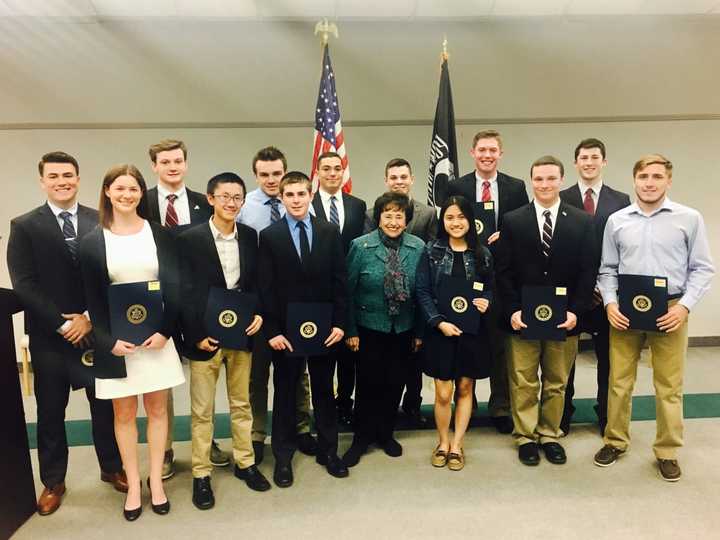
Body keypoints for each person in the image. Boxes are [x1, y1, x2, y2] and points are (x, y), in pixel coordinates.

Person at [7, 151, 126, 516]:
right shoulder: (24, 225)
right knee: (51, 411)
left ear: (78, 178)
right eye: (54, 176)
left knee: (103, 405)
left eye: (69, 175)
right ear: (42, 181)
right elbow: (24, 283)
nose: (62, 181)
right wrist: (62, 322)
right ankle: (53, 481)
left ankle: (111, 467)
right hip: (49, 335)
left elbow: (110, 275)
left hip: (95, 332)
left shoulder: (99, 219)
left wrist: (88, 317)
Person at [593, 154, 714, 481]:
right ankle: (615, 440)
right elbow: (606, 269)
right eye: (644, 176)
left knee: (669, 385)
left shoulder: (688, 218)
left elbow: (703, 268)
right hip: (625, 313)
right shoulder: (617, 221)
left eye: (657, 177)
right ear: (634, 180)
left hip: (670, 311)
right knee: (619, 382)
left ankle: (667, 451)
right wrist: (609, 304)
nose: (649, 183)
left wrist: (684, 307)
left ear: (668, 181)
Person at [79, 165, 185, 520]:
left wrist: (166, 331)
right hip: (117, 346)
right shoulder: (94, 240)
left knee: (157, 412)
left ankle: (156, 482)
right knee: (124, 416)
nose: (127, 195)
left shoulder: (160, 234)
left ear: (142, 193)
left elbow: (175, 288)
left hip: (156, 341)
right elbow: (93, 298)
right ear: (108, 192)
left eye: (134, 189)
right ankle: (134, 485)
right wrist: (109, 341)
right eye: (120, 188)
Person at [495, 156, 597, 466]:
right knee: (524, 381)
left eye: (551, 179)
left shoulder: (581, 221)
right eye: (538, 179)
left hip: (564, 319)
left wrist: (576, 312)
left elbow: (587, 271)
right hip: (523, 318)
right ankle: (525, 436)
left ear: (561, 180)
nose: (544, 185)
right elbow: (504, 270)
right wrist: (512, 310)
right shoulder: (513, 220)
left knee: (557, 381)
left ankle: (550, 434)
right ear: (532, 181)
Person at [178, 172, 271, 510]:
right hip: (206, 337)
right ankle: (201, 474)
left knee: (241, 403)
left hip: (242, 333)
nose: (232, 203)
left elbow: (256, 284)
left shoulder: (249, 236)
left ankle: (245, 462)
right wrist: (195, 335)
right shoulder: (190, 239)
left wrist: (259, 313)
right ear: (211, 199)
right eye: (225, 196)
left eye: (237, 197)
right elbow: (183, 292)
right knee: (202, 410)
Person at [258, 171, 349, 487]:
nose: (296, 200)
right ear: (281, 198)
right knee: (285, 393)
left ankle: (330, 451)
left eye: (301, 194)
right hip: (286, 333)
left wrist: (340, 324)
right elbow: (265, 289)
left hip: (325, 330)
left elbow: (340, 282)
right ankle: (283, 458)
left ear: (311, 195)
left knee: (325, 392)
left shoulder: (328, 231)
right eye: (290, 195)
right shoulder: (270, 236)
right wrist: (272, 331)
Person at [143, 139, 218, 479]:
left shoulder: (206, 203)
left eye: (178, 161)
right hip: (157, 302)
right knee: (162, 382)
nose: (172, 167)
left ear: (186, 164)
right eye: (165, 162)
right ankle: (167, 448)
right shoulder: (140, 202)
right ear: (154, 166)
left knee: (204, 378)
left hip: (198, 304)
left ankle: (207, 440)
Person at [238, 147, 317, 464]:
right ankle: (257, 434)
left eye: (277, 174)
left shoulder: (297, 205)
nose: (271, 180)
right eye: (265, 174)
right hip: (256, 304)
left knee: (298, 375)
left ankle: (300, 428)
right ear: (256, 175)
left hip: (294, 309)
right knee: (257, 376)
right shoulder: (245, 207)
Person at [447, 130, 529, 434]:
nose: (487, 155)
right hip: (466, 272)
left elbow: (522, 226)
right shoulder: (457, 186)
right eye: (482, 150)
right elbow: (449, 222)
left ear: (500, 154)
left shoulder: (516, 187)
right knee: (465, 338)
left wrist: (506, 236)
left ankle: (501, 406)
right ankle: (466, 402)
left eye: (493, 150)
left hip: (502, 276)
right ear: (472, 153)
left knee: (500, 343)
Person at [342, 192, 424, 467]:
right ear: (378, 218)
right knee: (367, 385)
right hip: (368, 329)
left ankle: (386, 434)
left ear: (406, 220)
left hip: (403, 329)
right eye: (387, 215)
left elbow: (424, 293)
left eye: (398, 215)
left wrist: (419, 333)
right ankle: (361, 438)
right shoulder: (360, 246)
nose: (392, 220)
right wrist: (350, 330)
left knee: (395, 384)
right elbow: (347, 291)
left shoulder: (418, 247)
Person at [415, 196, 493, 471]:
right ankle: (442, 441)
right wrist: (437, 322)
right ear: (442, 221)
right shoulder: (431, 251)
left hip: (471, 331)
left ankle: (457, 444)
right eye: (450, 217)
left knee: (465, 388)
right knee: (443, 392)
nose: (455, 223)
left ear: (469, 220)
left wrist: (487, 301)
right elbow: (422, 291)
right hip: (441, 331)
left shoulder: (482, 253)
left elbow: (490, 288)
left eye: (461, 217)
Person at [559, 138, 630, 436]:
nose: (589, 162)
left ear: (604, 162)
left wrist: (604, 286)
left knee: (609, 361)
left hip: (607, 295)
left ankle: (606, 415)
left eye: (594, 157)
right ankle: (562, 415)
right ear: (575, 163)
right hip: (571, 294)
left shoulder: (621, 200)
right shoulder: (561, 197)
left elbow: (624, 247)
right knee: (564, 362)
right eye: (583, 157)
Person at [363, 158, 437, 428]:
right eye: (393, 177)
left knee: (413, 363)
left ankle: (413, 407)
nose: (399, 181)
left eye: (403, 176)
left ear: (412, 178)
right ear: (386, 180)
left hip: (413, 299)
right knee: (382, 369)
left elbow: (430, 254)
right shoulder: (373, 213)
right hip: (380, 302)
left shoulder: (427, 213)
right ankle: (384, 413)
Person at [311, 151, 367, 426]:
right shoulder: (305, 203)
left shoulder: (357, 205)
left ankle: (346, 404)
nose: (332, 173)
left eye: (337, 168)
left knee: (349, 356)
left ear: (343, 172)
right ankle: (324, 410)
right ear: (317, 173)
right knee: (322, 356)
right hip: (318, 293)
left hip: (350, 290)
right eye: (327, 169)